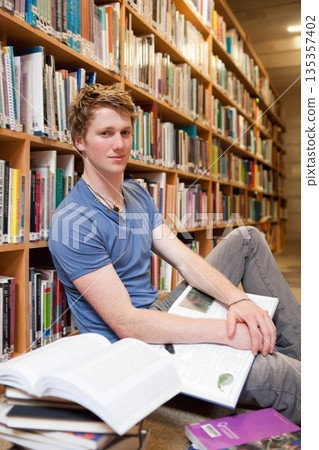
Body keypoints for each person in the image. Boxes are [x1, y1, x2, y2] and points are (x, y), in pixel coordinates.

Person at [48, 83, 301, 425]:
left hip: (160, 310)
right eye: (105, 133)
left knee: (247, 238)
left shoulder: (136, 194)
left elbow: (184, 259)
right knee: (280, 375)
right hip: (135, 348)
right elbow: (127, 323)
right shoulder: (72, 222)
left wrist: (237, 301)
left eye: (125, 131)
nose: (119, 143)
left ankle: (301, 355)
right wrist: (225, 332)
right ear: (80, 141)